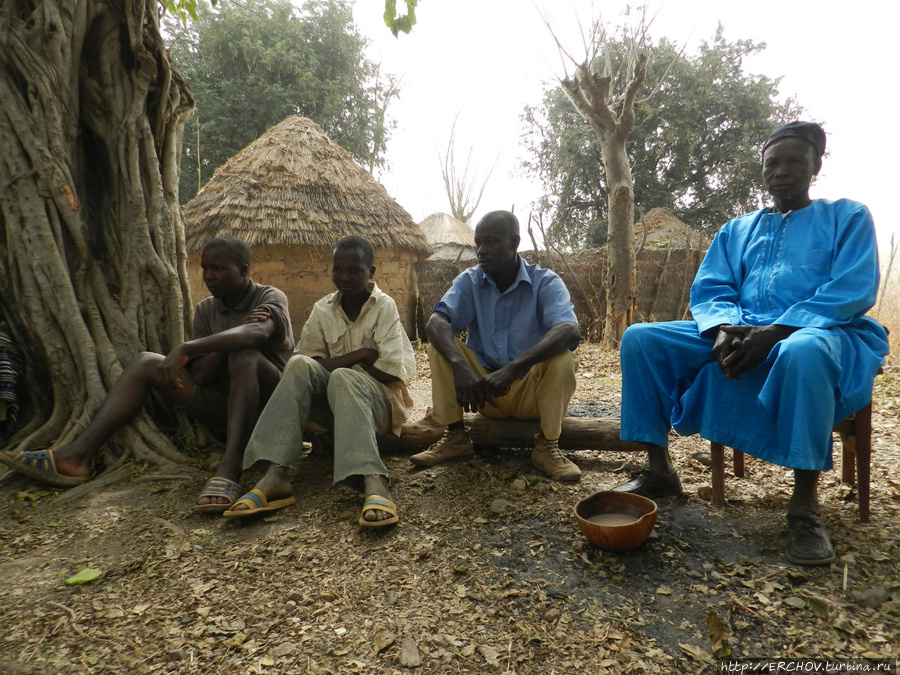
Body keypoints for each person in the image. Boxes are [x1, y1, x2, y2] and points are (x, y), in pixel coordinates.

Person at [613, 121, 889, 566]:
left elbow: (851, 290)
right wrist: (723, 330)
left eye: (794, 161)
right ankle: (660, 472)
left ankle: (803, 508)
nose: (781, 170)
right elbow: (712, 288)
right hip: (740, 329)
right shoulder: (737, 229)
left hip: (821, 332)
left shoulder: (847, 217)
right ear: (762, 170)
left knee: (804, 352)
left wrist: (779, 331)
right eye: (772, 163)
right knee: (640, 339)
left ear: (816, 166)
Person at [0, 236, 295, 512]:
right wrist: (228, 340)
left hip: (269, 409)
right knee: (145, 361)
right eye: (205, 268)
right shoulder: (207, 310)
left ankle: (230, 468)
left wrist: (188, 347)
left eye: (217, 268)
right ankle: (76, 456)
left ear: (243, 270)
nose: (208, 275)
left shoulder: (270, 296)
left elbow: (257, 332)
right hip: (224, 407)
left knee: (245, 356)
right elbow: (203, 376)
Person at [223, 236, 416, 528]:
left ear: (371, 272)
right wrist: (361, 354)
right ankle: (275, 475)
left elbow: (390, 371)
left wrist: (345, 367)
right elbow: (307, 365)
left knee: (342, 376)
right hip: (336, 409)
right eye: (338, 269)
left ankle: (372, 478)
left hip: (378, 408)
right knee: (299, 364)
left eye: (354, 271)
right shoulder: (323, 308)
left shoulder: (384, 306)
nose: (345, 277)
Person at [411, 210, 582, 481]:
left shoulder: (545, 282)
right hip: (483, 393)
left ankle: (547, 447)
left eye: (491, 242)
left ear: (515, 242)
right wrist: (460, 366)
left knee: (564, 358)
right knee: (440, 347)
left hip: (532, 396)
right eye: (478, 243)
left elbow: (569, 329)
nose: (481, 251)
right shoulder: (470, 281)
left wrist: (514, 368)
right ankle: (455, 437)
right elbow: (435, 323)